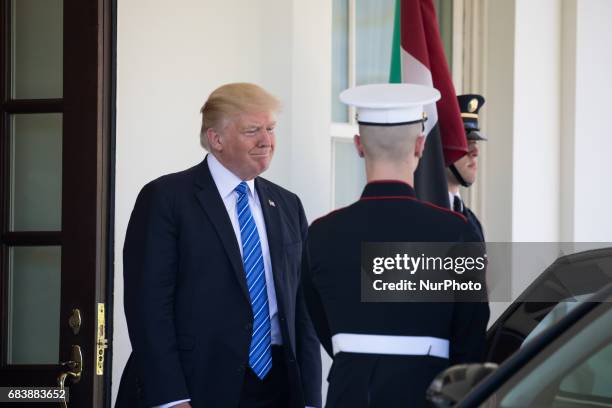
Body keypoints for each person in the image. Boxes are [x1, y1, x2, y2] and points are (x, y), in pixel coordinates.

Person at [115, 83, 321, 408]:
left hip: (279, 388)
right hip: (196, 388)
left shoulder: (287, 205)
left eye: (270, 128)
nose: (266, 140)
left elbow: (303, 311)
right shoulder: (166, 199)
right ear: (216, 139)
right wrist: (171, 399)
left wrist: (310, 399)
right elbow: (148, 308)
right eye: (252, 130)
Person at [301, 84, 489, 407]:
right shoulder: (457, 234)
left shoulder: (321, 234)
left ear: (359, 146)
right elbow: (469, 343)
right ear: (420, 146)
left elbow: (324, 327)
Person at [446, 94, 487, 241]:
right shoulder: (423, 216)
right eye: (464, 140)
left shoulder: (473, 222)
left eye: (475, 141)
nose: (476, 151)